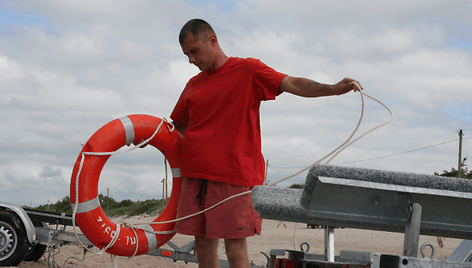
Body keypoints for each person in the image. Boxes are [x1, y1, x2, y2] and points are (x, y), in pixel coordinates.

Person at [170, 18, 362, 268]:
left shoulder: (248, 70)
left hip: (234, 175)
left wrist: (334, 88)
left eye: (194, 51)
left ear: (212, 40)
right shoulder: (193, 85)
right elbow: (178, 127)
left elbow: (291, 83)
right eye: (186, 55)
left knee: (235, 246)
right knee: (203, 245)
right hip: (196, 176)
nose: (191, 60)